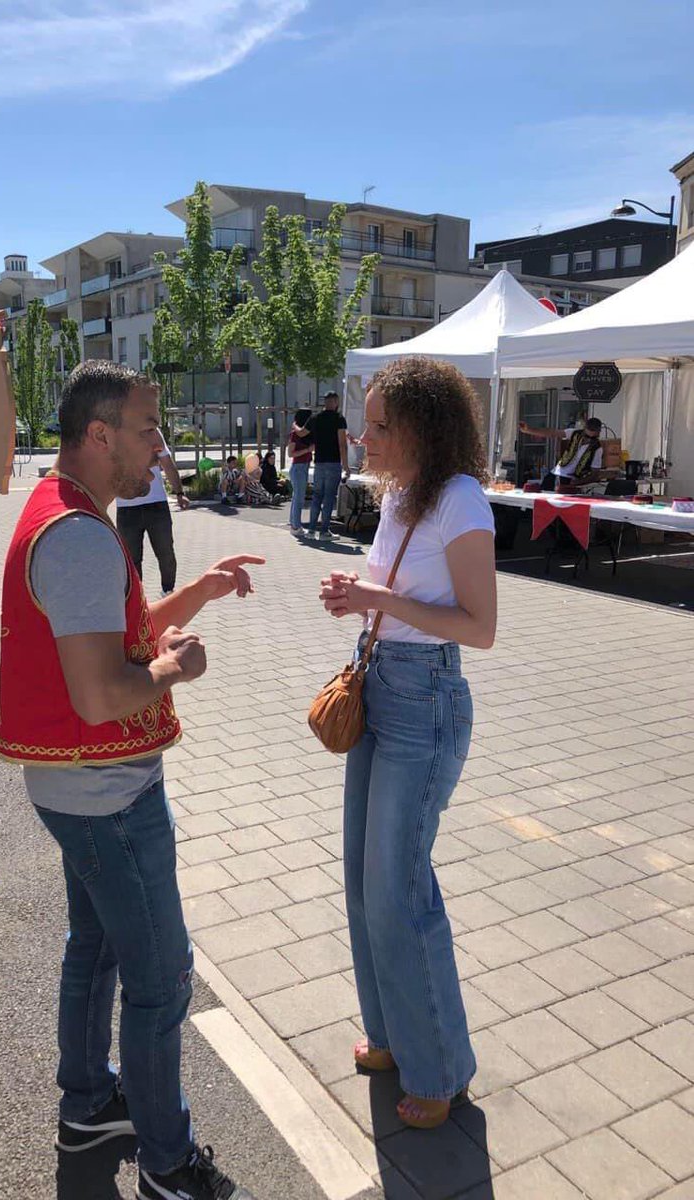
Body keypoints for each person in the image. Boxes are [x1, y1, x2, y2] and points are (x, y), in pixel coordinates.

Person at [0, 361, 261, 1200]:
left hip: (81, 792)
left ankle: (86, 1103)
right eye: (149, 429)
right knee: (161, 977)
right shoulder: (76, 536)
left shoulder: (65, 516)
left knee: (97, 945)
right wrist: (178, 669)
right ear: (100, 434)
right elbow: (104, 692)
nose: (161, 446)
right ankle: (169, 1165)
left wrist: (195, 595)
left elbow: (111, 636)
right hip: (108, 798)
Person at [319, 358, 496, 1130]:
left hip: (426, 699)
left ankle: (443, 1070)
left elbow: (480, 628)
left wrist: (376, 598)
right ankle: (393, 1034)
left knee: (397, 888)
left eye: (382, 424)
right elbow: (396, 599)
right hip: (381, 684)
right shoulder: (399, 496)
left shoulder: (461, 500)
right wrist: (357, 603)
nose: (366, 436)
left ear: (423, 427)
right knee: (362, 881)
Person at [116, 429, 190, 596]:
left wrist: (179, 493)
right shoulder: (114, 430)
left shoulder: (152, 432)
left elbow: (167, 463)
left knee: (166, 553)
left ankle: (168, 591)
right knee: (131, 559)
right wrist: (149, 460)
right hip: (126, 508)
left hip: (157, 504)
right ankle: (136, 599)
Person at [303, 391, 348, 539]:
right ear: (335, 402)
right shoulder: (339, 419)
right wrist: (346, 465)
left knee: (317, 496)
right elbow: (342, 444)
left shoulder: (316, 418)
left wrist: (295, 427)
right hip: (333, 462)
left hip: (319, 462)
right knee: (329, 497)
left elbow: (302, 433)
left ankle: (310, 530)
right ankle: (324, 531)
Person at [519, 416, 603, 491]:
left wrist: (577, 482)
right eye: (587, 436)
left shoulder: (597, 448)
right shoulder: (574, 433)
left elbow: (595, 474)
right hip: (555, 473)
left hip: (570, 480)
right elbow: (552, 433)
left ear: (599, 433)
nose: (589, 439)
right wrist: (528, 430)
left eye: (593, 438)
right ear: (584, 429)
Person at [287, 408, 313, 535]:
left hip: (304, 466)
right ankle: (296, 526)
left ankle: (294, 523)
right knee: (299, 498)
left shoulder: (306, 433)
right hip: (298, 467)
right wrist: (307, 450)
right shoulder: (295, 434)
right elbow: (290, 453)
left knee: (297, 497)